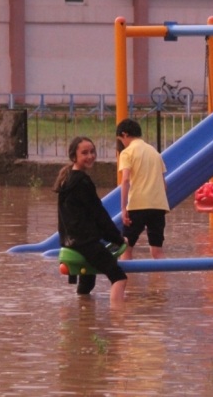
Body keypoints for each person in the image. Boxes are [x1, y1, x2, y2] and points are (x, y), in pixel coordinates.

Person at [54, 136, 127, 303]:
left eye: (92, 152)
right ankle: (118, 320)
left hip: (70, 241)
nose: (90, 156)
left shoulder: (68, 179)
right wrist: (117, 238)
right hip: (85, 242)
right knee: (119, 277)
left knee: (88, 281)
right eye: (84, 153)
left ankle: (84, 319)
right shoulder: (82, 181)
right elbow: (98, 214)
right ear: (74, 157)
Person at [115, 118, 170, 260]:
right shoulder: (155, 153)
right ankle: (161, 282)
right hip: (158, 206)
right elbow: (164, 185)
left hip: (138, 205)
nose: (122, 143)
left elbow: (125, 179)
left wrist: (123, 208)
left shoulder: (127, 153)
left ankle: (126, 282)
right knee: (157, 251)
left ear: (125, 134)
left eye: (121, 140)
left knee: (126, 248)